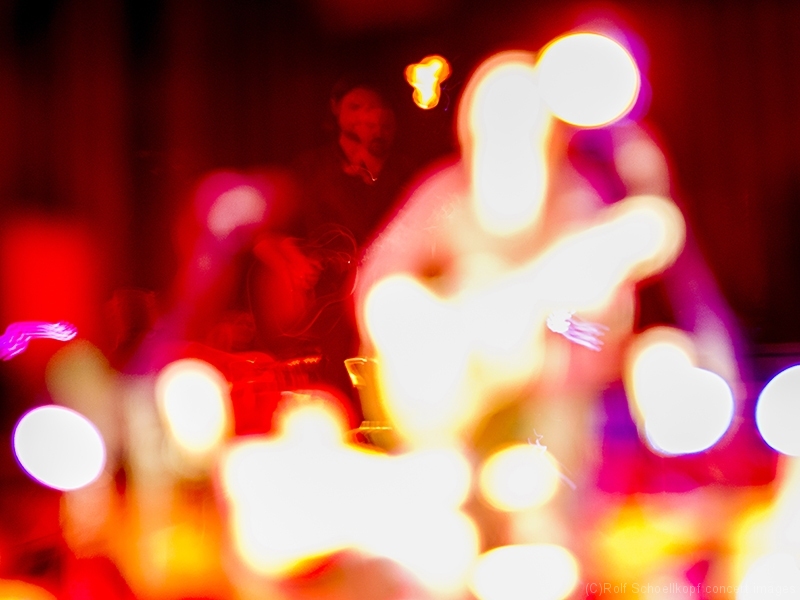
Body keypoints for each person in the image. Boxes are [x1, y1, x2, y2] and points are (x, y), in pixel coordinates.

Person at [247, 77, 415, 407]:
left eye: (376, 108)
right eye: (356, 107)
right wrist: (293, 263)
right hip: (325, 331)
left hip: (385, 315)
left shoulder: (408, 174)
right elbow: (261, 236)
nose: (368, 116)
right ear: (336, 112)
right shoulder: (310, 169)